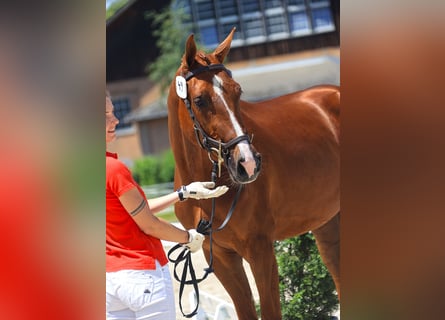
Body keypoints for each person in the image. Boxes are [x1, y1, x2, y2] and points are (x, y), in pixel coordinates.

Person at [106, 93, 228, 320]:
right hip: (141, 274)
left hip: (108, 282)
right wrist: (188, 238)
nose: (115, 120)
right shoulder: (114, 169)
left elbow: (135, 210)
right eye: (105, 115)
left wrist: (182, 193)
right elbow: (149, 225)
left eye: (113, 113)